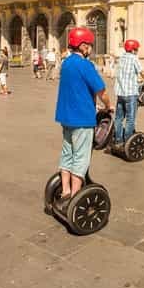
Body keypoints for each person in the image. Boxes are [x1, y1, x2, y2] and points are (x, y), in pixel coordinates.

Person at [53, 27, 112, 211]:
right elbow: (101, 91)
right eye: (90, 45)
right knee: (81, 158)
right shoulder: (86, 65)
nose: (91, 49)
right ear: (84, 46)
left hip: (66, 117)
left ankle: (65, 191)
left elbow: (76, 88)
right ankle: (75, 195)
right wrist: (108, 106)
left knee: (67, 154)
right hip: (82, 119)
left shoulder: (66, 63)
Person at [112, 39, 144, 151]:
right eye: (137, 49)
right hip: (130, 94)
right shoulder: (134, 58)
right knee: (130, 119)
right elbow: (142, 72)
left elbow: (122, 74)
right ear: (133, 49)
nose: (137, 51)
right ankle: (127, 141)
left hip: (120, 94)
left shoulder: (121, 58)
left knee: (119, 118)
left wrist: (136, 80)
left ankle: (118, 140)